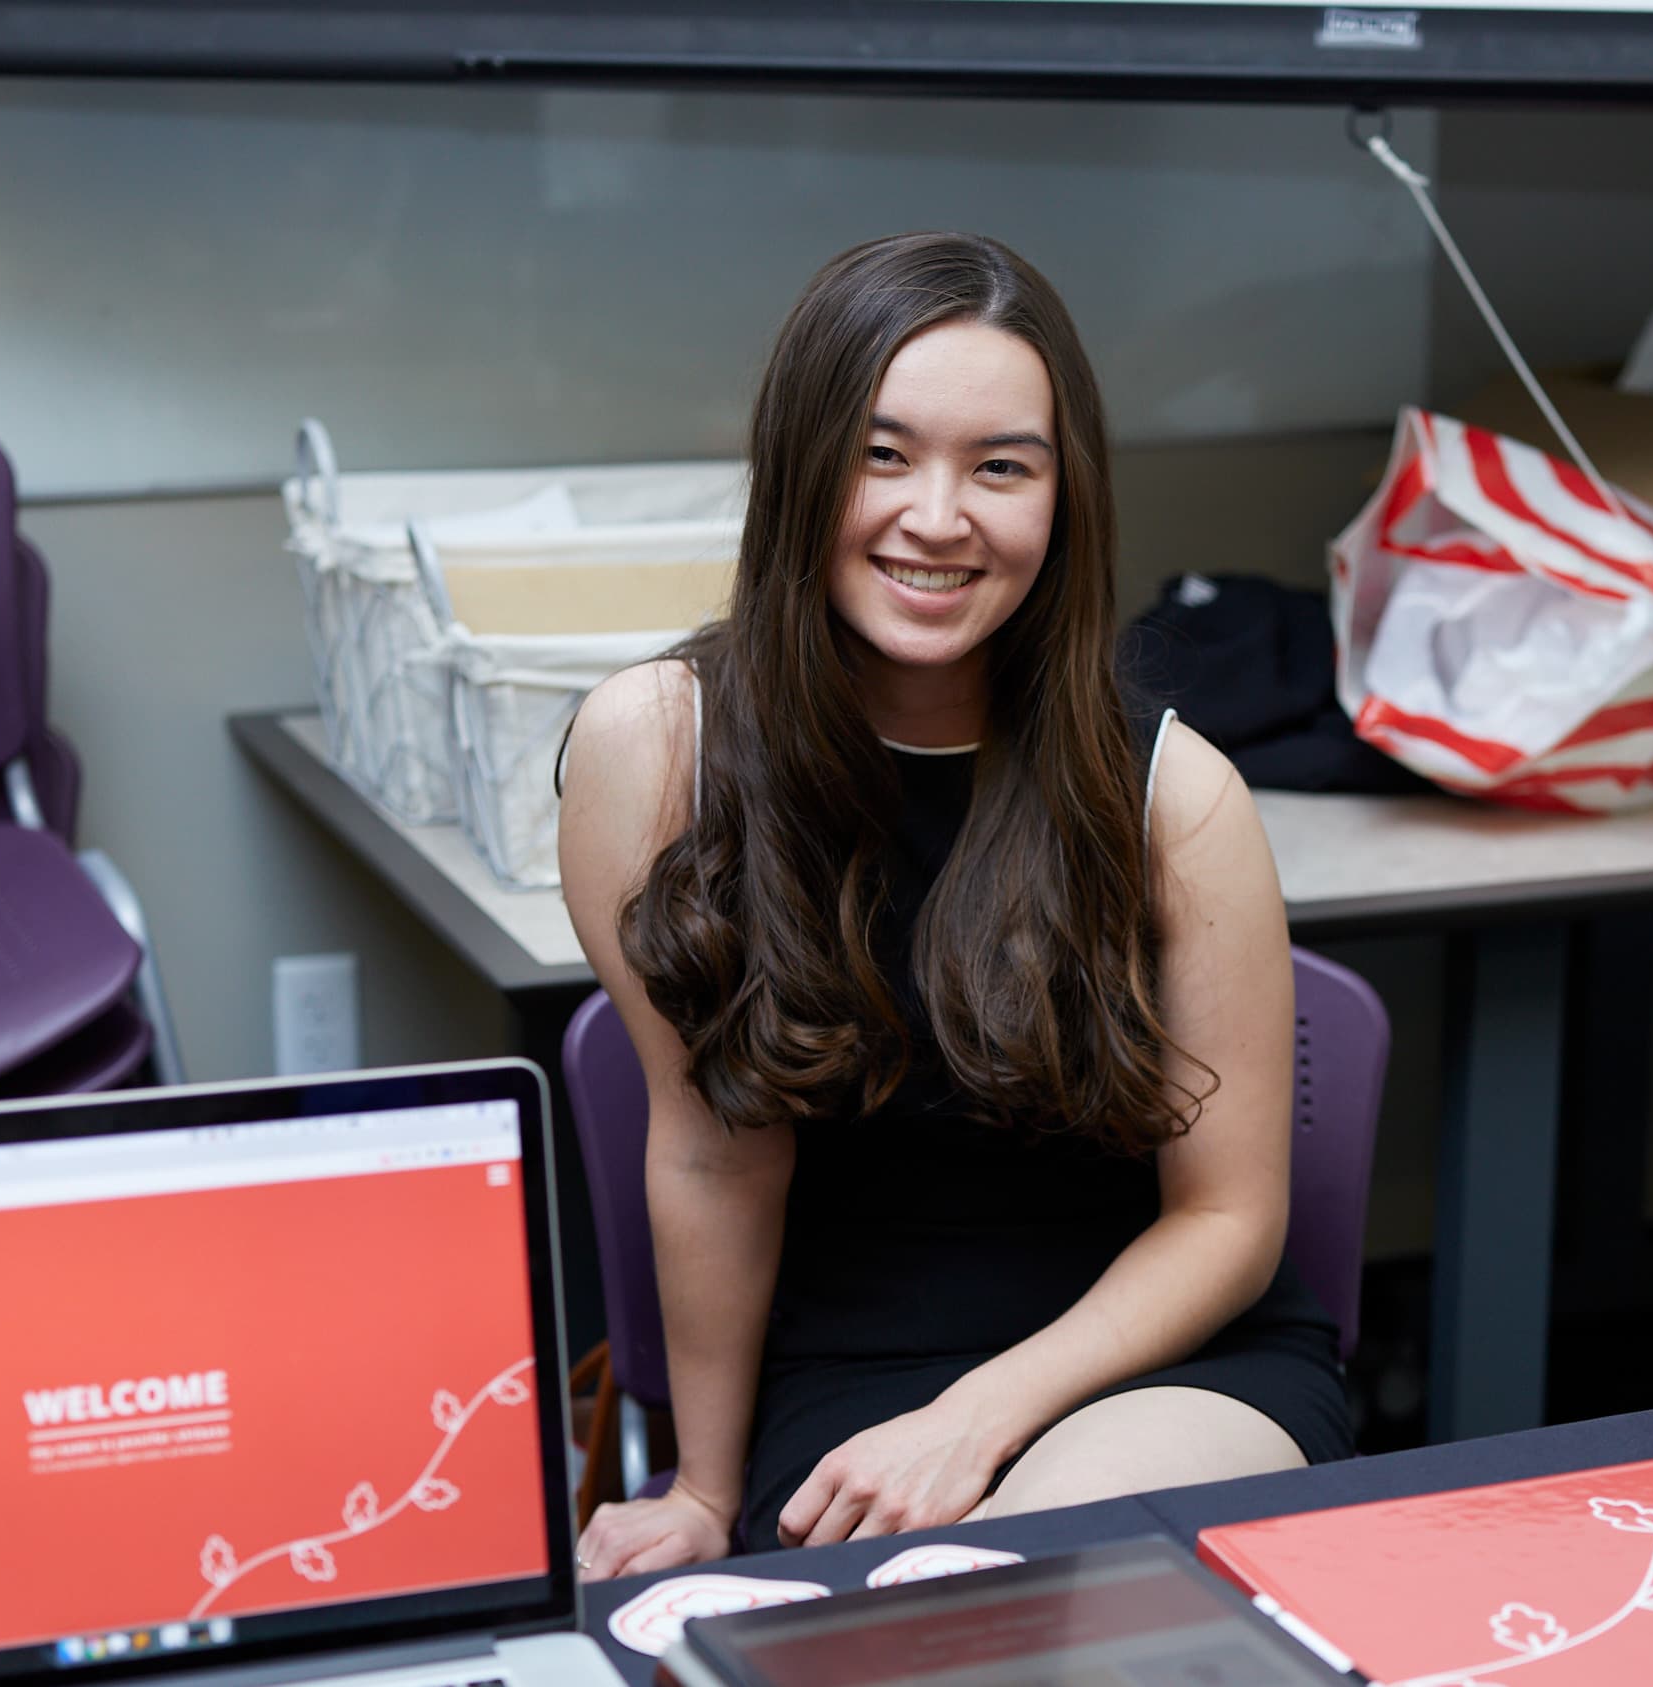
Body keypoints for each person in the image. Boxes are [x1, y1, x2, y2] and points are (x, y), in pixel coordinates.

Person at [559, 232, 1352, 1580]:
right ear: (802, 466)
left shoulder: (1174, 794)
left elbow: (1225, 1219)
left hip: (1163, 1375)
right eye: (884, 454)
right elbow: (711, 1148)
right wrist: (700, 1487)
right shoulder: (657, 750)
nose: (940, 516)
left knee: (1051, 1596)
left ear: (1065, 497)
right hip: (843, 1383)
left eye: (1002, 466)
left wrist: (979, 1420)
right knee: (940, 1612)